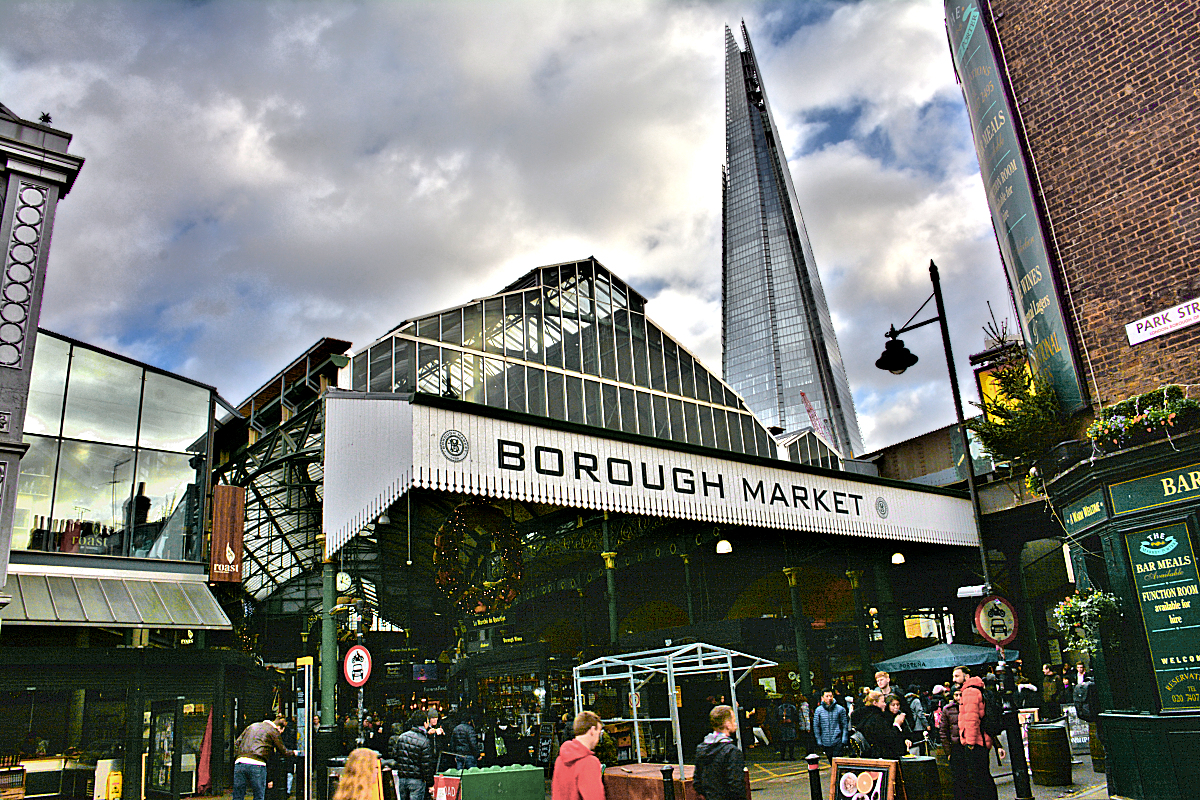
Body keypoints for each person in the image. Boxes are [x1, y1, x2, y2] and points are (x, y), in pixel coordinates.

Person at [955, 665, 1005, 800]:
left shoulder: (969, 692)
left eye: (957, 676)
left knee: (978, 778)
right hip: (982, 739)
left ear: (966, 676)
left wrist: (970, 742)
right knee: (983, 775)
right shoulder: (976, 689)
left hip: (977, 741)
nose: (954, 679)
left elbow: (972, 719)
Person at [234, 716, 295, 800]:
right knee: (258, 796)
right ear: (278, 727)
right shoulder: (273, 730)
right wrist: (294, 753)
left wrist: (239, 755)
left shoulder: (252, 726)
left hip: (240, 762)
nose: (280, 733)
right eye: (281, 732)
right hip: (258, 763)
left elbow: (237, 743)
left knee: (238, 795)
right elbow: (283, 751)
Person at [694, 705, 745, 800]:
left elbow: (697, 782)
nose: (735, 724)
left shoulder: (701, 749)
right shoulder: (731, 751)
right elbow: (736, 786)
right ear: (727, 724)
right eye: (733, 720)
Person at [550, 711, 605, 800]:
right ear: (592, 730)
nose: (598, 738)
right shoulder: (589, 762)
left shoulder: (560, 759)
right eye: (599, 733)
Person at [389, 712, 435, 800]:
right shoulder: (424, 741)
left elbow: (394, 755)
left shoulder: (402, 737)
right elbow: (427, 766)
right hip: (417, 781)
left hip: (402, 779)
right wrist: (430, 784)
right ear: (424, 723)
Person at [849, 690, 905, 759]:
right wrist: (897, 725)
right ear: (875, 703)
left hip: (867, 756)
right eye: (883, 702)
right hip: (879, 756)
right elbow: (888, 739)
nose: (885, 704)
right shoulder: (877, 719)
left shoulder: (863, 716)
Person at [938, 687, 966, 800]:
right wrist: (948, 751)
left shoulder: (968, 707)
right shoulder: (947, 709)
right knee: (957, 777)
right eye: (956, 695)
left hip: (967, 744)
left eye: (960, 695)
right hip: (956, 746)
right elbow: (943, 731)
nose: (959, 698)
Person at [812, 689, 849, 761]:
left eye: (831, 696)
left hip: (837, 741)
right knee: (830, 761)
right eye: (827, 696)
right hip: (825, 741)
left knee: (837, 761)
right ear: (822, 698)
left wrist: (844, 739)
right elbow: (816, 726)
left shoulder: (840, 709)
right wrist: (818, 740)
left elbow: (845, 725)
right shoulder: (818, 710)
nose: (829, 698)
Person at [904, 684, 928, 755]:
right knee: (921, 745)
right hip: (918, 726)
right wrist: (926, 724)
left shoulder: (905, 700)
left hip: (910, 725)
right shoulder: (916, 700)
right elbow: (920, 713)